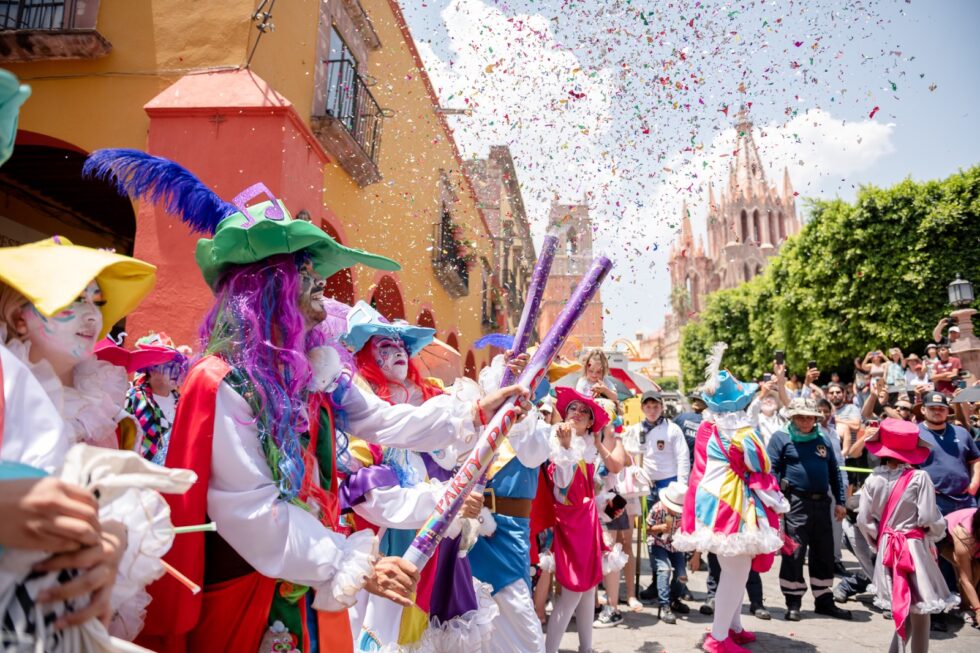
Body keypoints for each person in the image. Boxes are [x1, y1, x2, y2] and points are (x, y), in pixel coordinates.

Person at [84, 149, 528, 653]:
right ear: (269, 289)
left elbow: (381, 421)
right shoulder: (223, 382)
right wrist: (349, 562)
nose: (320, 283)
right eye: (305, 272)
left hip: (308, 586)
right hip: (250, 594)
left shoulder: (314, 376)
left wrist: (474, 411)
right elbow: (248, 510)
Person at [340, 302, 505, 652]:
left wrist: (503, 392)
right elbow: (374, 502)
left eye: (402, 346)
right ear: (367, 357)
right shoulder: (360, 416)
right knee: (396, 639)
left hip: (439, 550)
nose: (397, 352)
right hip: (395, 554)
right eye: (384, 346)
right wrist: (447, 499)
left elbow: (465, 449)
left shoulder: (425, 404)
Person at [673, 343, 789, 653]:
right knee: (736, 573)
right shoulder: (743, 432)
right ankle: (718, 637)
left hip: (711, 502)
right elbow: (761, 463)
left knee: (733, 570)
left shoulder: (707, 427)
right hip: (733, 505)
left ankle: (733, 626)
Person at [857, 418, 959, 652]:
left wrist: (878, 541)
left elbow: (864, 520)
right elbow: (928, 518)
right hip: (913, 548)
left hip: (887, 549)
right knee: (921, 611)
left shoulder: (872, 479)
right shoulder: (919, 478)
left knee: (906, 607)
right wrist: (937, 533)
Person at [544, 387, 625, 653]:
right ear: (564, 414)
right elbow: (561, 485)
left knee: (589, 589)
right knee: (572, 593)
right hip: (569, 525)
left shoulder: (590, 447)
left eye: (584, 411)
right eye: (573, 408)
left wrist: (607, 504)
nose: (577, 413)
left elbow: (594, 486)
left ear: (591, 422)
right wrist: (566, 447)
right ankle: (550, 650)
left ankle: (586, 648)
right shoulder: (556, 441)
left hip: (587, 523)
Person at [767, 397, 851, 621]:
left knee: (824, 553)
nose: (805, 421)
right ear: (792, 417)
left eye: (810, 417)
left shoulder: (822, 438)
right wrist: (776, 503)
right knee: (794, 552)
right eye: (801, 417)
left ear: (816, 418)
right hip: (795, 504)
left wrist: (840, 501)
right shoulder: (780, 438)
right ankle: (793, 602)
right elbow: (772, 472)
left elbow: (834, 471)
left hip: (823, 503)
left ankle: (824, 600)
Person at [119, 333, 189, 464]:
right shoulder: (134, 398)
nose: (176, 371)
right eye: (169, 365)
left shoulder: (182, 403)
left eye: (177, 366)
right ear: (151, 368)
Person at [645, 480, 688, 624]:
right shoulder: (657, 508)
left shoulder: (685, 514)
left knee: (682, 575)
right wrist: (659, 528)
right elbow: (646, 528)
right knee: (665, 569)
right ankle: (664, 605)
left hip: (675, 545)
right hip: (658, 543)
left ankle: (673, 598)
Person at [938, 507, 979, 627]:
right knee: (970, 571)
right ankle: (964, 608)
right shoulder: (965, 533)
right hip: (944, 540)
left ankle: (967, 605)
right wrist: (978, 610)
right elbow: (965, 579)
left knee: (977, 569)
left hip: (973, 537)